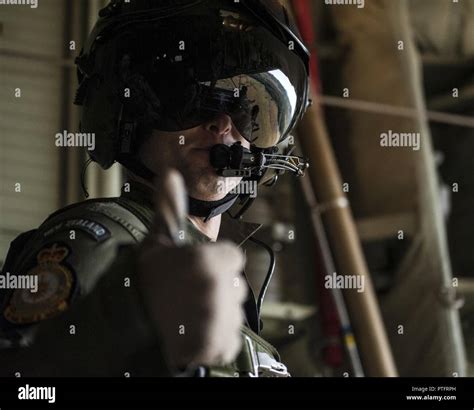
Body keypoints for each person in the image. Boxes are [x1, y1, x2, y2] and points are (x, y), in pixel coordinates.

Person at [0, 0, 309, 377]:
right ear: (129, 115)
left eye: (248, 113)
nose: (223, 124)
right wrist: (127, 316)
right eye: (191, 101)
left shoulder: (224, 288)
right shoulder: (102, 240)